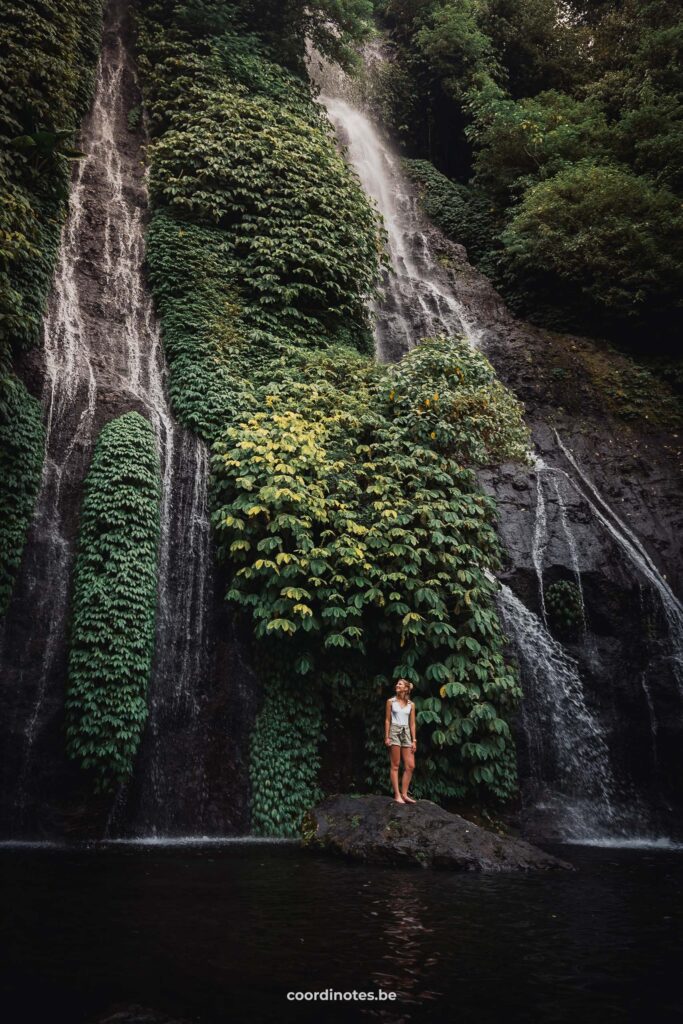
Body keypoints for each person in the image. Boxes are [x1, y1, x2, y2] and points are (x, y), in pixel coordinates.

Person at [385, 678, 417, 804]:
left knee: (410, 765)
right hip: (394, 731)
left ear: (406, 688)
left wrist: (414, 740)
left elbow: (413, 723)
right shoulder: (390, 702)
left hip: (407, 733)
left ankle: (404, 794)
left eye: (400, 684)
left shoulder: (411, 705)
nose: (397, 685)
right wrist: (387, 736)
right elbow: (387, 720)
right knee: (395, 764)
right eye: (397, 684)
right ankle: (397, 795)